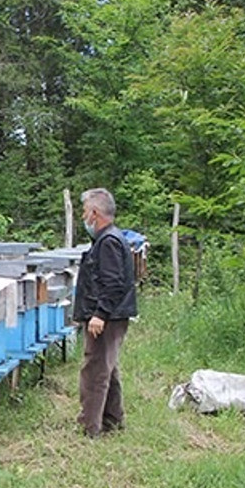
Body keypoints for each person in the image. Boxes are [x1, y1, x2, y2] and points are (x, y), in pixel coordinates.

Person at [72, 187, 138, 438]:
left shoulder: (108, 241)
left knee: (95, 371)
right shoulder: (108, 239)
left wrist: (100, 314)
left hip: (107, 317)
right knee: (108, 367)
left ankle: (90, 428)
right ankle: (113, 420)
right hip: (113, 314)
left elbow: (113, 283)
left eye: (84, 212)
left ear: (94, 213)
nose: (82, 217)